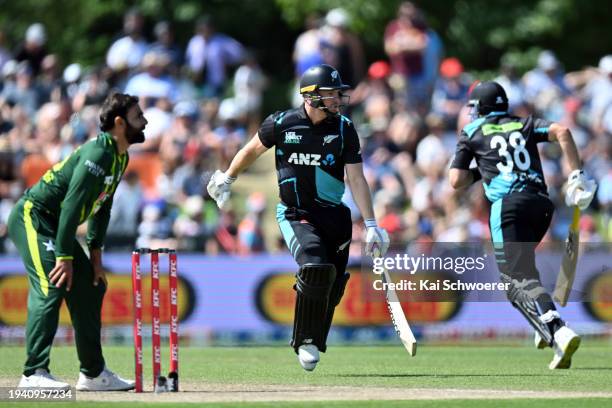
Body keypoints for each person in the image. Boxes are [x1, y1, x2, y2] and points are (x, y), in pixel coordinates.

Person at [207, 64, 390, 371]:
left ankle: (315, 340)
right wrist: (228, 177)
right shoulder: (282, 123)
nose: (336, 99)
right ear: (310, 96)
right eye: (329, 94)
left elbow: (357, 179)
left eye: (337, 94)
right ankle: (304, 340)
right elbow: (252, 150)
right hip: (296, 213)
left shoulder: (344, 128)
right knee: (315, 265)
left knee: (331, 287)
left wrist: (371, 224)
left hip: (336, 218)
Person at [449, 81, 597, 369]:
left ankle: (556, 329)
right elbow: (562, 132)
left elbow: (456, 181)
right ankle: (543, 326)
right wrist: (576, 175)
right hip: (541, 205)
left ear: (480, 108)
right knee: (523, 275)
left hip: (508, 207)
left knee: (517, 280)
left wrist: (483, 169)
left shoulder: (472, 131)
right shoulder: (524, 123)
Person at [8, 92, 148, 390]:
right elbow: (72, 206)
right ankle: (33, 374)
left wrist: (95, 257)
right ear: (120, 123)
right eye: (138, 117)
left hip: (58, 225)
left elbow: (102, 205)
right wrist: (64, 257)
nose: (145, 121)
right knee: (51, 283)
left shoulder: (120, 157)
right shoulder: (99, 154)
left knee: (91, 286)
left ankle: (93, 374)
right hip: (33, 217)